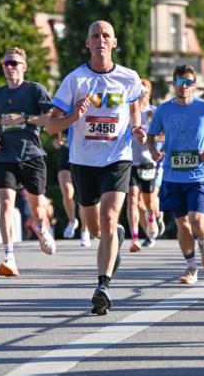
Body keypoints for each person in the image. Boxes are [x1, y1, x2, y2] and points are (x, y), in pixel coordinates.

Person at [45, 20, 146, 315]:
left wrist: (137, 128)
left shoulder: (129, 78)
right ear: (88, 43)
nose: (100, 40)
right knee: (94, 227)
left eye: (106, 36)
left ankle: (103, 286)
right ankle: (114, 236)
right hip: (83, 161)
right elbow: (51, 126)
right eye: (95, 36)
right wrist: (73, 116)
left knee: (109, 216)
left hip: (117, 157)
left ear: (114, 43)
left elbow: (134, 106)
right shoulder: (75, 80)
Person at [147, 64, 204, 286]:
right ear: (174, 84)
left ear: (194, 85)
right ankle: (191, 267)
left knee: (196, 220)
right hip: (172, 176)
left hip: (198, 176)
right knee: (182, 224)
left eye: (188, 82)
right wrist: (153, 150)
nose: (184, 86)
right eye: (180, 82)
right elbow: (151, 135)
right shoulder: (163, 110)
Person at [0, 46, 56, 276]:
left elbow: (51, 118)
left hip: (32, 155)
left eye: (14, 63)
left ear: (24, 67)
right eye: (6, 63)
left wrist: (24, 118)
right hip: (5, 157)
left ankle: (40, 227)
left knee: (36, 208)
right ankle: (9, 257)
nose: (9, 67)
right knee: (6, 204)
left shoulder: (35, 90)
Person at [127, 79, 159, 251]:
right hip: (129, 161)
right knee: (132, 198)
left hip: (148, 162)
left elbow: (165, 135)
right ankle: (134, 238)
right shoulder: (128, 111)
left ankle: (152, 217)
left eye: (144, 92)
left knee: (148, 201)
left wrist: (150, 137)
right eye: (138, 92)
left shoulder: (154, 112)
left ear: (149, 93)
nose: (141, 95)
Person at [53, 132, 91, 246]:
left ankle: (85, 231)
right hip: (66, 159)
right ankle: (72, 220)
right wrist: (57, 143)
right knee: (67, 193)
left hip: (83, 160)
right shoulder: (64, 122)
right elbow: (57, 140)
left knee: (83, 198)